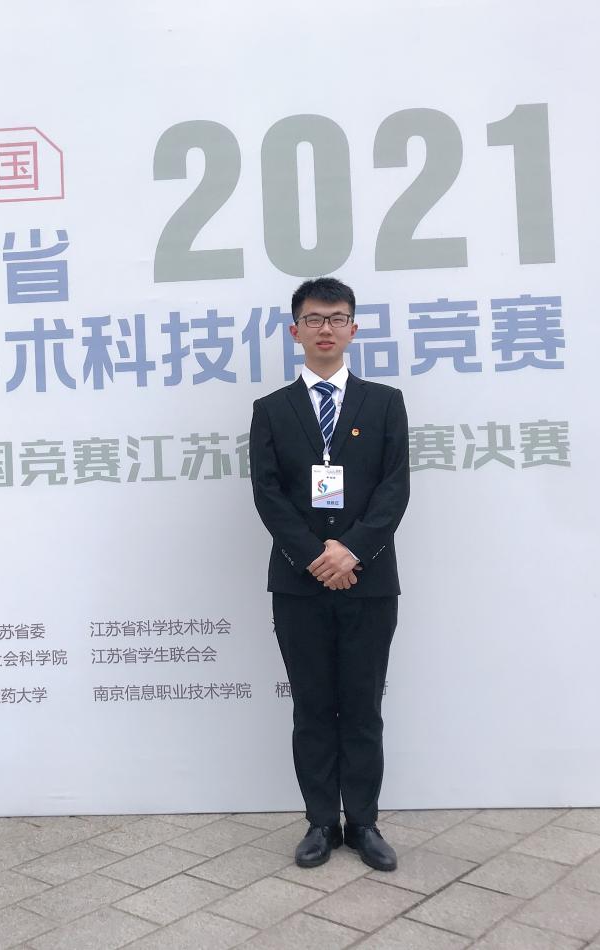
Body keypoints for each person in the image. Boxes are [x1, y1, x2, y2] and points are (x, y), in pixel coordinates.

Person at [249, 276, 410, 871]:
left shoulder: (385, 403)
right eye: (314, 319)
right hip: (299, 584)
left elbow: (394, 489)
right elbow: (268, 496)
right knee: (313, 706)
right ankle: (320, 821)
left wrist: (352, 552)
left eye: (337, 318)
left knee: (363, 706)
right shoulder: (272, 410)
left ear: (353, 329)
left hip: (370, 582)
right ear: (295, 331)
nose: (326, 328)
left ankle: (363, 823)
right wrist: (318, 557)